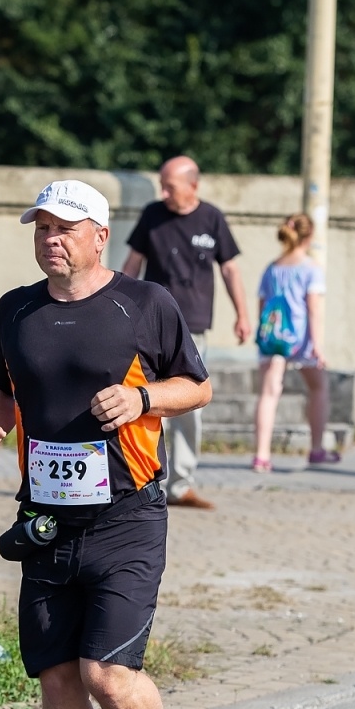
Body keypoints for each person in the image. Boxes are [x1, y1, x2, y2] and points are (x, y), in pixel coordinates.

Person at [0, 180, 210, 709]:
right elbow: (1, 387)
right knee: (55, 677)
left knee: (106, 676)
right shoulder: (15, 310)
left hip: (128, 515)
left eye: (65, 228)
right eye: (42, 227)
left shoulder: (144, 303)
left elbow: (195, 385)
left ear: (100, 236)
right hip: (45, 520)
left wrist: (141, 397)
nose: (51, 238)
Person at [121, 156, 251, 510]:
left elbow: (230, 271)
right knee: (143, 398)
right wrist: (114, 305)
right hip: (148, 324)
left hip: (193, 328)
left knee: (190, 405)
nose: (163, 192)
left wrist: (242, 314)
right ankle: (138, 479)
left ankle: (181, 484)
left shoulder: (212, 218)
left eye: (170, 187)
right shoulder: (152, 215)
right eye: (161, 185)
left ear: (193, 186)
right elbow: (132, 264)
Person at [250, 213, 336, 472]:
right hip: (301, 340)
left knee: (268, 393)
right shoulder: (311, 269)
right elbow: (314, 310)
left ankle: (261, 455)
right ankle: (317, 449)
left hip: (274, 339)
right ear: (309, 237)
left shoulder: (272, 268)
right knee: (319, 387)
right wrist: (317, 345)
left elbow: (262, 305)